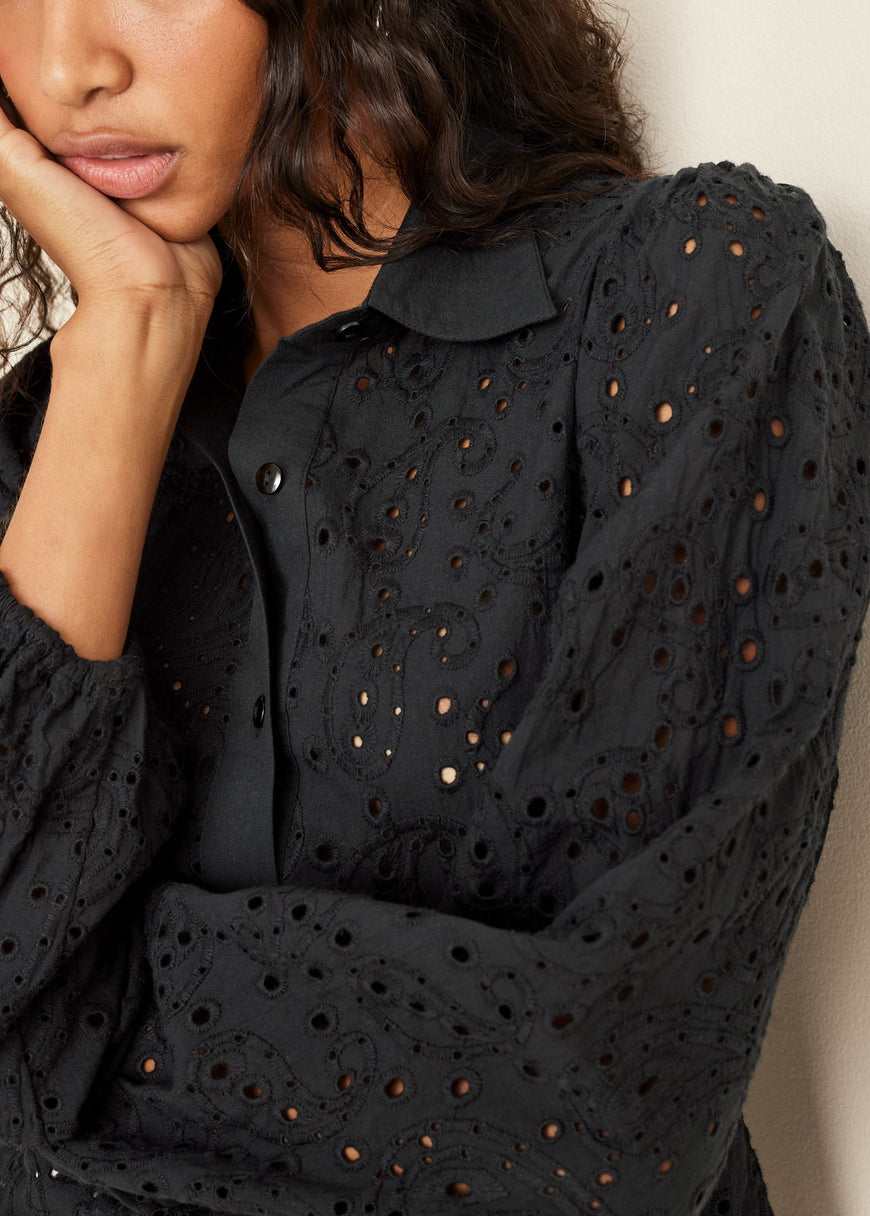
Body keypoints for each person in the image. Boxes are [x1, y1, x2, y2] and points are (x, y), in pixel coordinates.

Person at [0, 1, 867, 1213]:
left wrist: (71, 1016)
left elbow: (605, 1106)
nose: (63, 68)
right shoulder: (44, 449)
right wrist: (121, 351)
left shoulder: (694, 294)